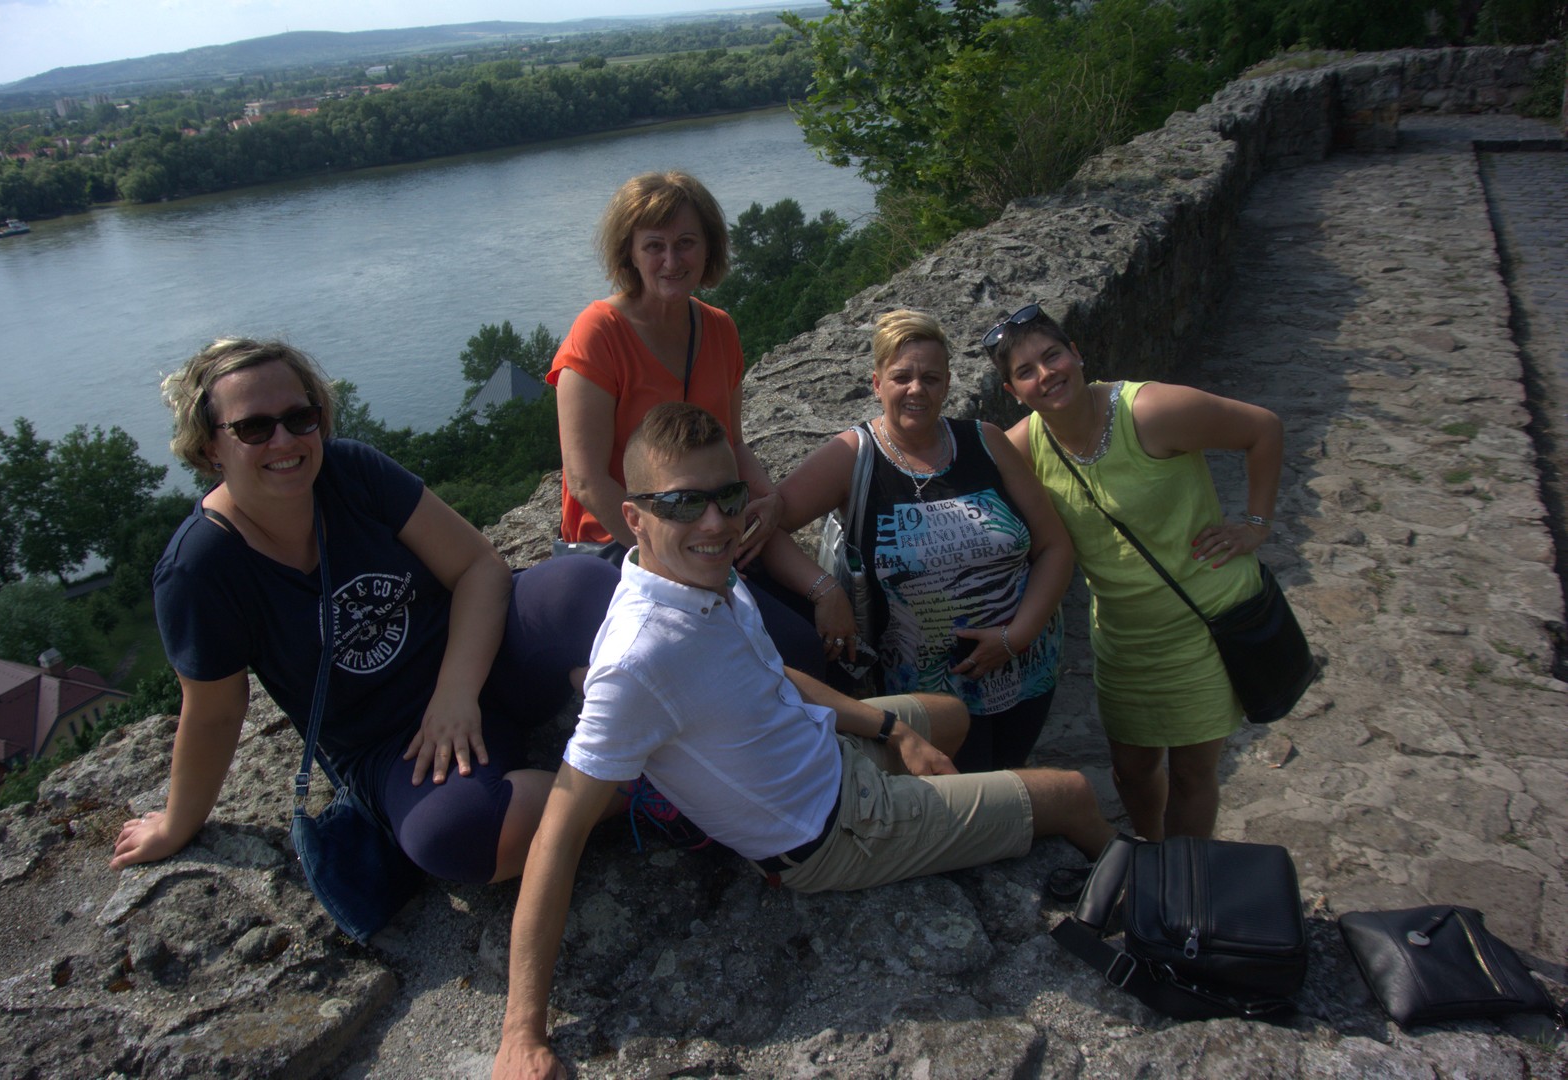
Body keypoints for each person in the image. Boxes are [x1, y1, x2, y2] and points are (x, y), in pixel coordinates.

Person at [491, 403, 1113, 1080]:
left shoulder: (703, 575)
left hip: (824, 753)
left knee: (948, 716)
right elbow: (557, 834)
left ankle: (969, 816)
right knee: (1072, 794)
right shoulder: (638, 660)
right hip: (833, 831)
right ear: (634, 518)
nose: (715, 523)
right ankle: (1147, 911)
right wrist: (522, 1033)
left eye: (729, 497)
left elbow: (769, 673)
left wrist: (889, 728)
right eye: (683, 504)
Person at [110, 338, 619, 897]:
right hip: (395, 743)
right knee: (457, 835)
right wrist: (176, 823)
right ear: (210, 446)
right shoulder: (200, 569)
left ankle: (649, 725)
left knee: (586, 586)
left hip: (480, 655)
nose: (284, 440)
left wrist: (455, 694)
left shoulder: (349, 471)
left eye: (300, 417)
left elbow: (478, 567)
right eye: (254, 428)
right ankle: (634, 793)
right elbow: (214, 712)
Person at [990, 303, 1284, 840]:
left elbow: (1262, 428)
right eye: (1026, 371)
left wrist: (1255, 526)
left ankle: (1184, 877)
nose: (1046, 374)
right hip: (1126, 640)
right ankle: (1152, 855)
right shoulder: (1026, 445)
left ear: (1077, 353)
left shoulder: (1148, 411)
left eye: (1053, 356)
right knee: (1131, 769)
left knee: (1192, 774)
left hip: (1203, 625)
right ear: (1013, 391)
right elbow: (959, 482)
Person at [547, 170, 851, 680]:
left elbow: (732, 443)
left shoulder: (718, 328)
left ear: (709, 248)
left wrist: (769, 499)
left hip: (706, 529)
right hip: (627, 546)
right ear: (629, 253)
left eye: (686, 243)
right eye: (655, 246)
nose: (672, 261)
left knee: (813, 628)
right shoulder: (598, 334)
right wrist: (671, 564)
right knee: (786, 653)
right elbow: (586, 479)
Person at [776, 310, 1075, 771]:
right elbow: (765, 524)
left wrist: (1015, 637)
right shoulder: (854, 457)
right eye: (902, 377)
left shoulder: (986, 442)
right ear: (877, 384)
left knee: (1014, 776)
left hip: (1026, 669)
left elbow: (1054, 546)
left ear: (948, 384)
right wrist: (823, 589)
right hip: (926, 701)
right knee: (964, 799)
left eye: (931, 378)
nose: (917, 389)